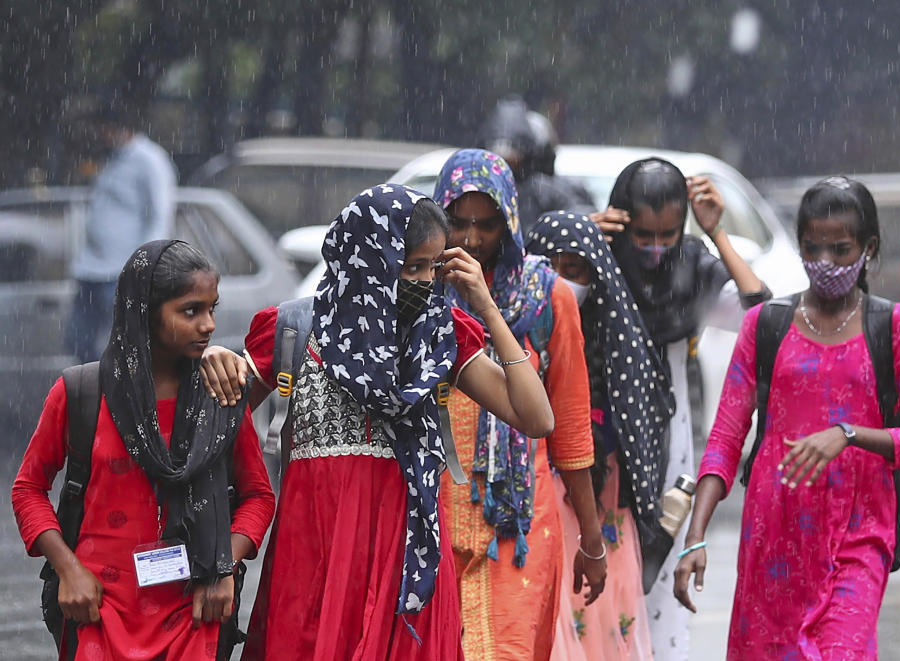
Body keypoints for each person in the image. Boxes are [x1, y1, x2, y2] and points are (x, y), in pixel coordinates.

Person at [200, 184, 555, 659]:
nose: (423, 282)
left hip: (407, 558)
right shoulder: (294, 331)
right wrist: (215, 361)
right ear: (368, 260)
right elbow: (212, 426)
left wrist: (486, 307)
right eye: (410, 267)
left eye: (432, 267)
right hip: (315, 556)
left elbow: (535, 417)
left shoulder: (438, 336)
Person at [673, 176, 900, 659]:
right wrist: (694, 538)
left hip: (858, 540)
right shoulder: (766, 325)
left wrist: (849, 435)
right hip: (772, 542)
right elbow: (724, 439)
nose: (826, 263)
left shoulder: (894, 326)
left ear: (869, 248)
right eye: (812, 248)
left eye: (840, 249)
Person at [12, 240, 275, 660]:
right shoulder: (82, 392)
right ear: (145, 314)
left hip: (193, 610)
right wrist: (68, 569)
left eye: (213, 309)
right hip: (99, 608)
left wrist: (225, 566)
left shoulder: (218, 393)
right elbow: (28, 489)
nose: (208, 325)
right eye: (191, 311)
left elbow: (258, 496)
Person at [592, 157, 771, 661]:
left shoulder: (694, 266)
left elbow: (760, 315)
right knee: (600, 578)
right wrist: (584, 249)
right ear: (621, 218)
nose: (654, 250)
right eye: (643, 235)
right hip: (600, 445)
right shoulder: (600, 263)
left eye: (667, 236)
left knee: (660, 574)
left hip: (673, 445)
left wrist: (716, 236)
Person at [433, 149, 606, 661]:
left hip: (517, 526)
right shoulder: (417, 294)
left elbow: (570, 429)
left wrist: (592, 544)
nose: (470, 240)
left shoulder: (547, 297)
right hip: (431, 518)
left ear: (508, 222)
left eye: (486, 225)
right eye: (457, 223)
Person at [527, 211, 675, 661]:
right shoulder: (514, 326)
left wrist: (590, 436)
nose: (562, 280)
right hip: (537, 489)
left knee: (603, 625)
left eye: (576, 271)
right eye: (550, 266)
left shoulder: (617, 338)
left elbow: (640, 418)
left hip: (602, 499)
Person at [68, 97, 177, 363]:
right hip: (91, 269)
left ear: (115, 127)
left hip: (119, 271)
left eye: (102, 129)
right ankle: (95, 393)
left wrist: (144, 267)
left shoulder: (149, 159)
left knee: (120, 345)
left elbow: (160, 213)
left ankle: (115, 398)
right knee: (77, 339)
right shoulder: (113, 159)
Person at [479, 96, 594, 234]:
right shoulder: (476, 190)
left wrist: (582, 224)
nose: (503, 165)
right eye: (497, 156)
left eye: (511, 155)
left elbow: (578, 214)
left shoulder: (543, 189)